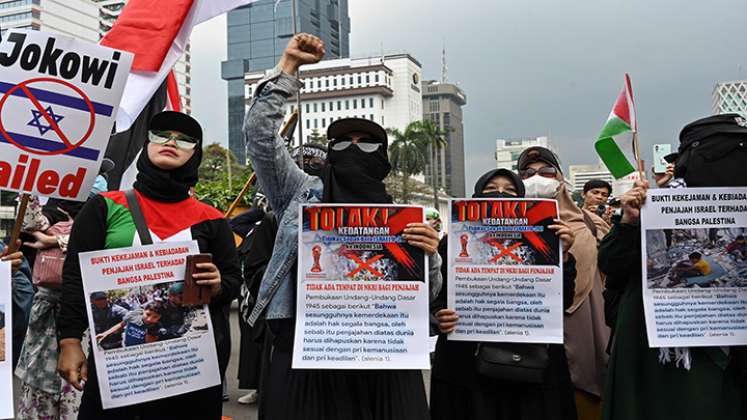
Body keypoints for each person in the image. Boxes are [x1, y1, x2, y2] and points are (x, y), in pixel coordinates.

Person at [243, 33, 442, 420]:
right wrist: (288, 68)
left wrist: (430, 257)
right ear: (329, 152)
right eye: (343, 142)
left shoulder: (401, 217)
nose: (354, 150)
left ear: (383, 159)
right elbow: (260, 140)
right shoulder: (300, 194)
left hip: (385, 361)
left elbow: (428, 297)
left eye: (367, 144)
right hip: (308, 355)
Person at [56, 111, 242, 419]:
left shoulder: (212, 219)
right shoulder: (105, 206)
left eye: (184, 139)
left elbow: (233, 281)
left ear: (195, 153)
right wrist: (70, 341)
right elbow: (76, 278)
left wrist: (220, 284)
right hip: (121, 370)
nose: (171, 141)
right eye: (161, 135)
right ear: (147, 143)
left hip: (189, 368)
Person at [430, 168, 578, 420]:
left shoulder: (546, 239)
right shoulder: (453, 242)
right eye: (490, 190)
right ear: (476, 196)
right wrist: (439, 316)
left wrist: (563, 255)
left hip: (531, 362)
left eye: (510, 191)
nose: (500, 194)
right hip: (467, 365)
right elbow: (437, 297)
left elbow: (561, 301)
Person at [516, 147, 610, 420]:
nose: (537, 178)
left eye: (546, 172)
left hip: (583, 323)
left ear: (559, 178)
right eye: (527, 174)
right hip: (529, 326)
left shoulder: (591, 224)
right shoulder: (504, 227)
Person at [95, 301, 166, 347]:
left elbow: (149, 343)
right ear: (143, 311)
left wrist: (150, 330)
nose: (149, 319)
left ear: (159, 318)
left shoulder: (156, 327)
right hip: (125, 345)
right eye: (148, 314)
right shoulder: (134, 315)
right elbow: (121, 324)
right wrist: (105, 334)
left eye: (155, 317)